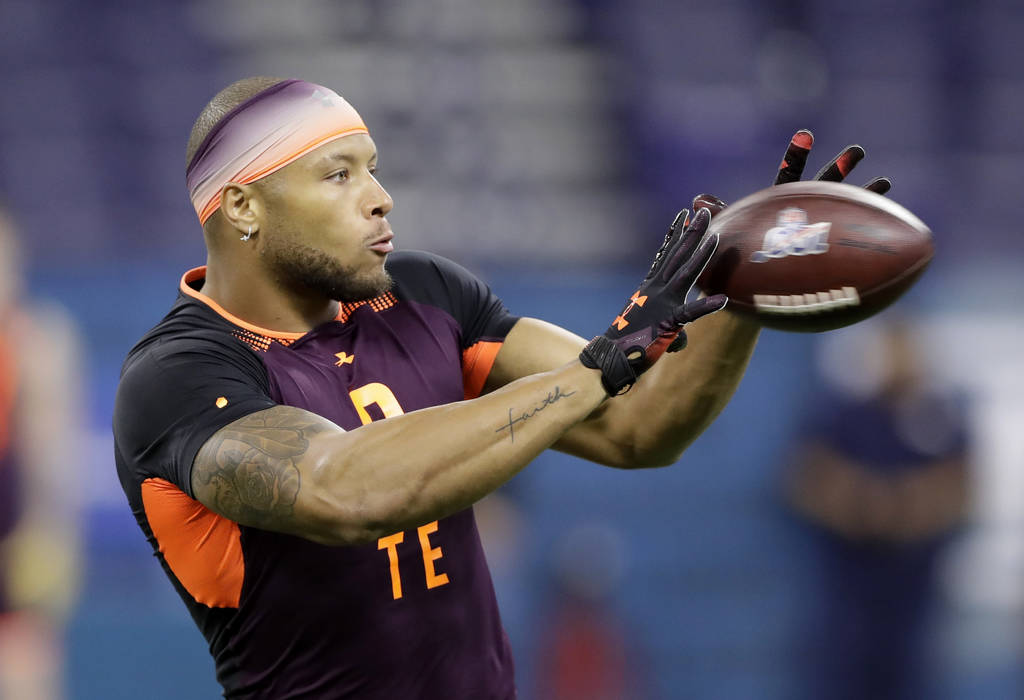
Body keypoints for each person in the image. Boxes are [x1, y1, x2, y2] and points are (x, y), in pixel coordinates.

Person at [111, 77, 888, 698]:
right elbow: (340, 490)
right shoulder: (179, 375)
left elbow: (637, 426)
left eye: (374, 167)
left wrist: (740, 285)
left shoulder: (423, 295)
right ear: (242, 206)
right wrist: (591, 373)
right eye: (337, 174)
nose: (379, 197)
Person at [785, 320, 971, 700]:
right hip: (849, 595)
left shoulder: (941, 416)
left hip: (914, 595)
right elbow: (808, 479)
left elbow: (960, 489)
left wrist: (904, 507)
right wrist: (867, 505)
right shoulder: (842, 415)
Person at [0, 207, 83, 700]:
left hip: (14, 527)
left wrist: (52, 532)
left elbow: (53, 455)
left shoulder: (37, 342)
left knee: (24, 665)